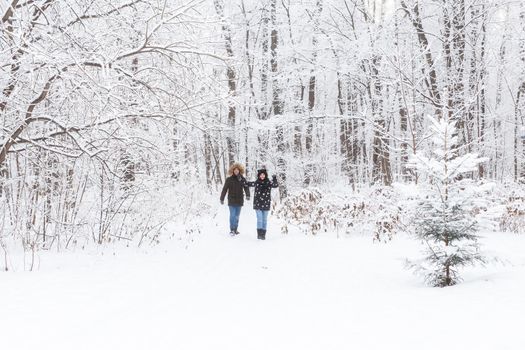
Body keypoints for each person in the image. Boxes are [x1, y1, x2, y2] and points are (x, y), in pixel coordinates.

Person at [246, 168, 278, 240]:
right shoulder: (257, 182)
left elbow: (275, 185)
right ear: (259, 175)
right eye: (261, 175)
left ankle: (263, 235)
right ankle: (259, 234)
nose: (262, 176)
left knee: (264, 220)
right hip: (258, 204)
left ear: (265, 175)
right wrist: (241, 179)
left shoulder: (268, 182)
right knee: (259, 219)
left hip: (266, 203)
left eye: (263, 175)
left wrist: (274, 178)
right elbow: (248, 183)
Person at [220, 163, 250, 236]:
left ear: (239, 171)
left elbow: (246, 187)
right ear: (232, 171)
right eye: (235, 170)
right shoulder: (229, 179)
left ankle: (236, 229)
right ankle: (232, 230)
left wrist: (248, 195)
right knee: (232, 215)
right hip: (231, 200)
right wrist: (222, 198)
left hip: (239, 200)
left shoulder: (242, 179)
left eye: (237, 170)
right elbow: (224, 189)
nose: (236, 171)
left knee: (237, 216)